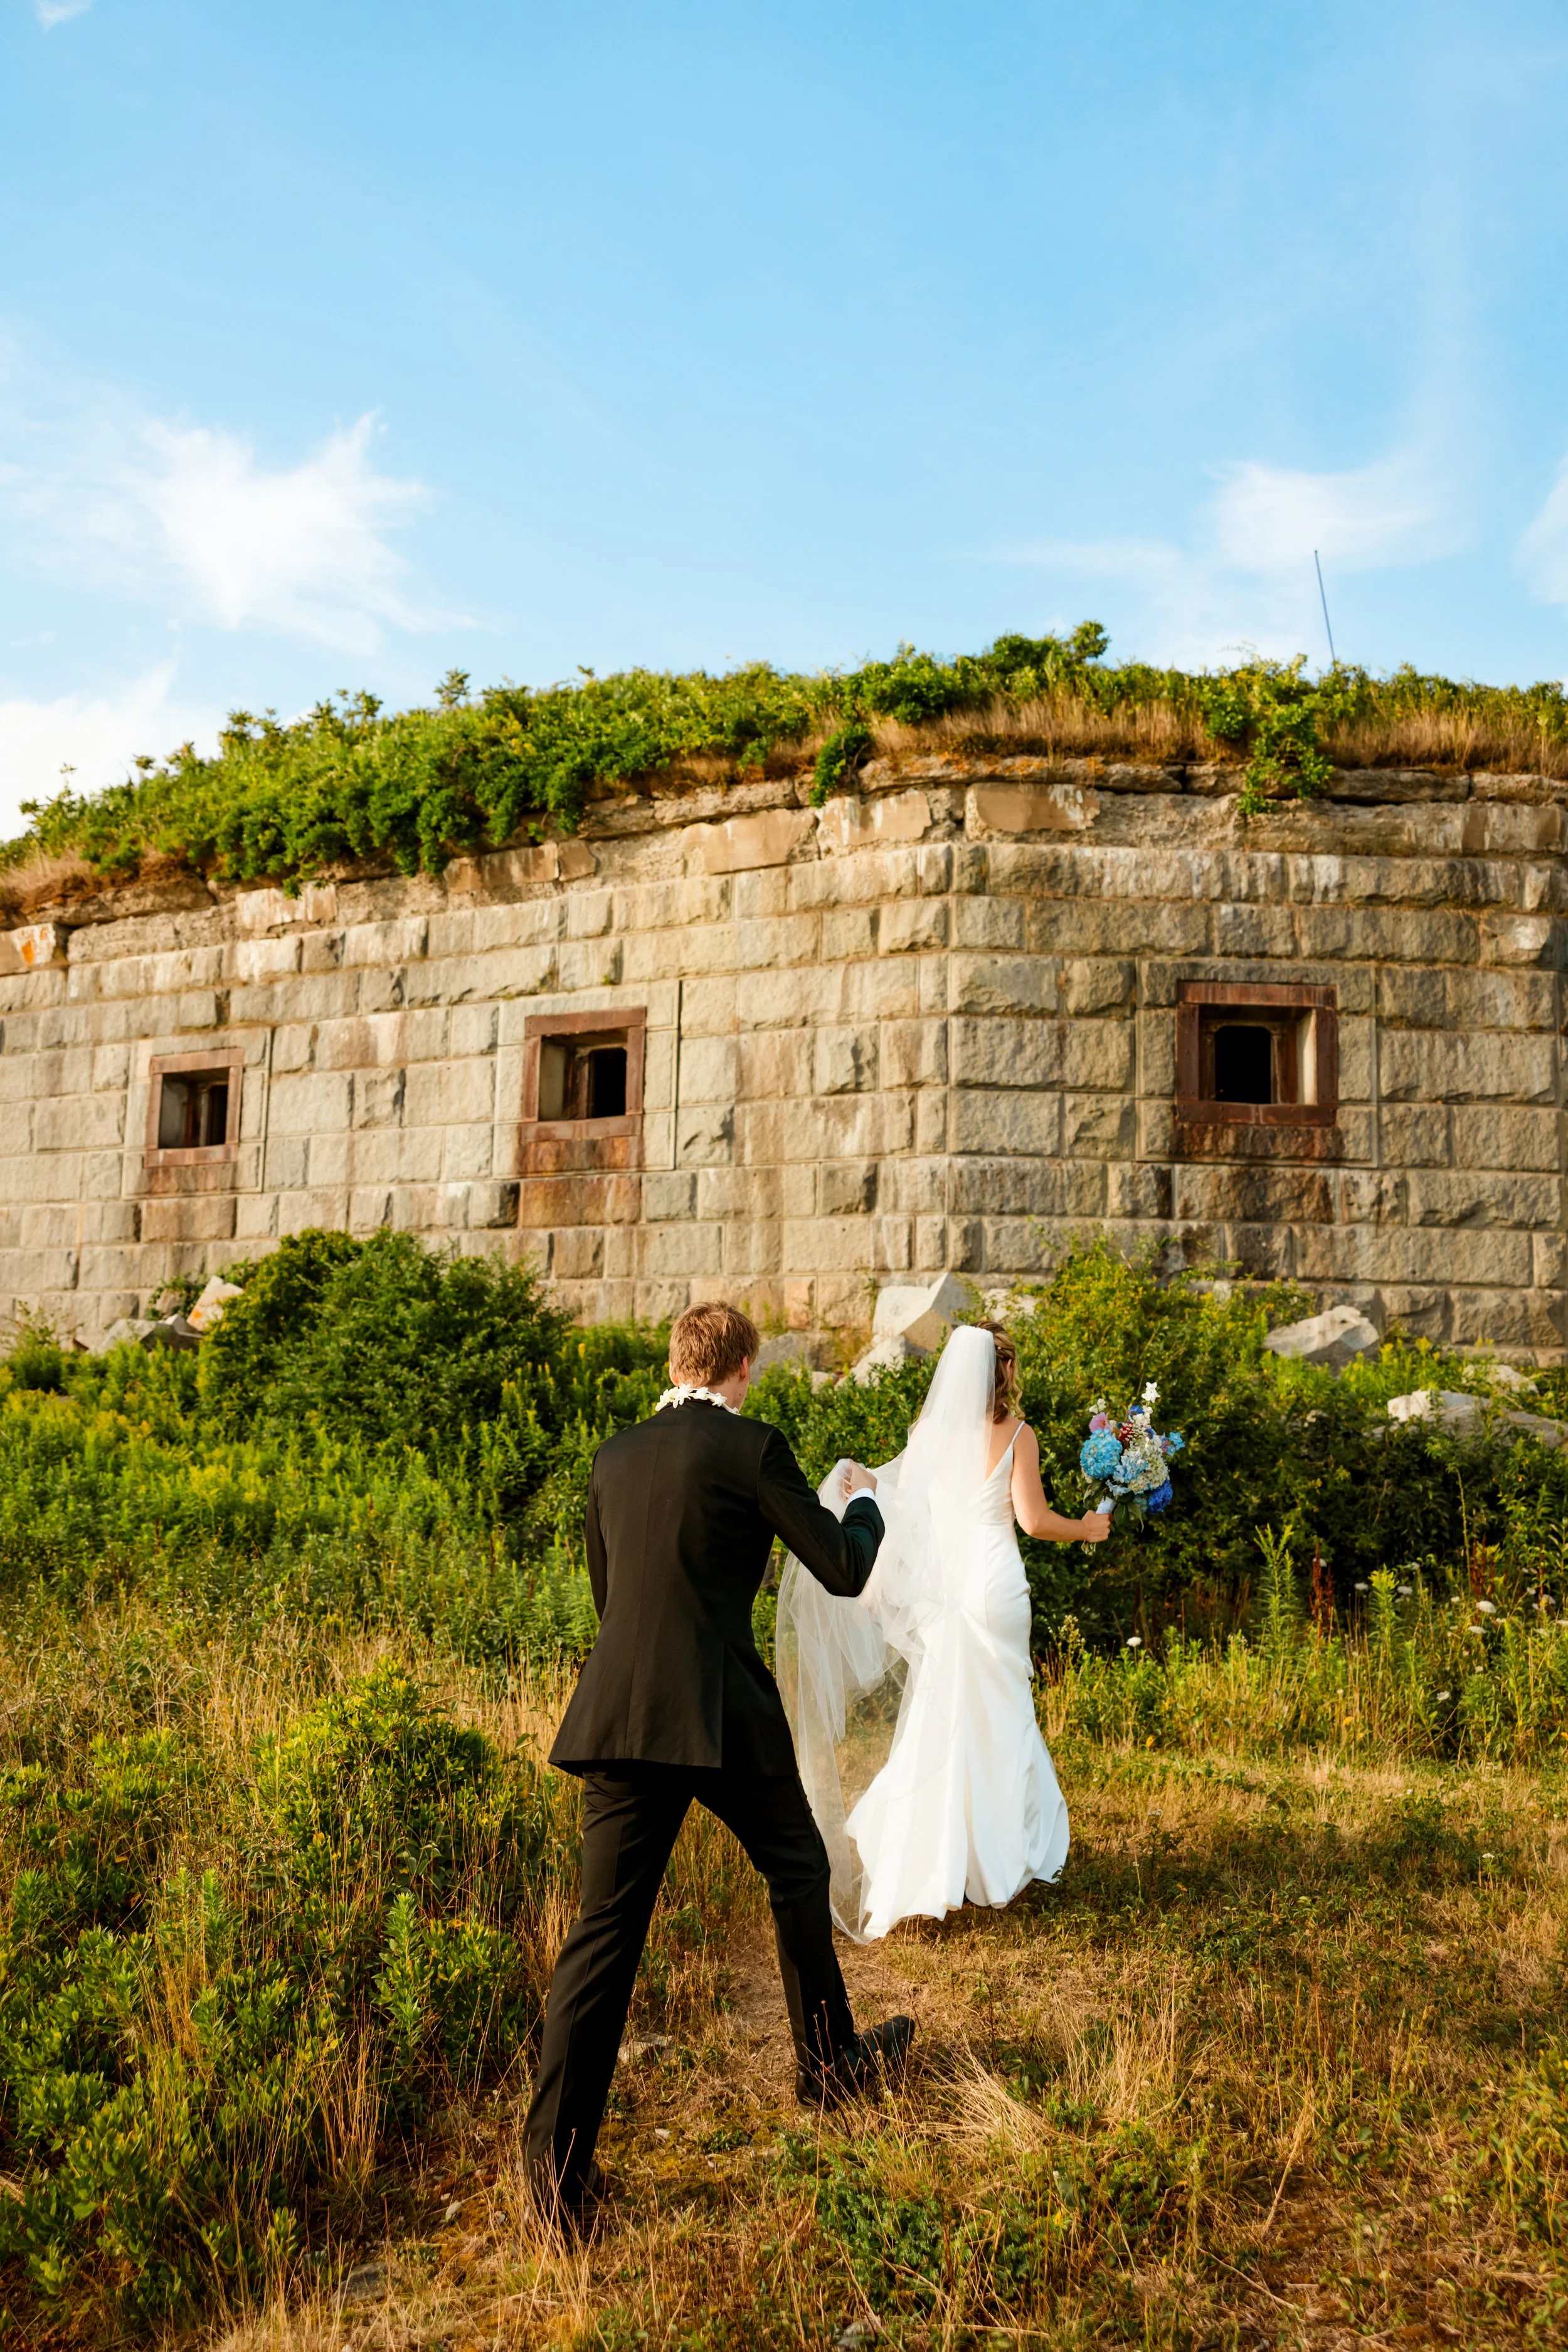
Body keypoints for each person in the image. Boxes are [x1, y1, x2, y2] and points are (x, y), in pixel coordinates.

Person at [523, 1301, 916, 2226]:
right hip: (722, 1716)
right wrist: (862, 1501)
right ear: (740, 1366)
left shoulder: (613, 1456)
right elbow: (845, 1568)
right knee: (798, 1868)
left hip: (619, 1714)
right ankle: (828, 2069)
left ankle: (553, 2182)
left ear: (678, 1363)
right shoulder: (753, 1448)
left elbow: (609, 1593)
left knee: (601, 1940)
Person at [777, 1321, 1111, 1942]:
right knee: (1002, 1713)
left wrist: (874, 1490)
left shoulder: (925, 1434)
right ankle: (997, 1853)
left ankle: (935, 1855)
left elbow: (911, 1514)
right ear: (1004, 1372)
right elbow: (1035, 1523)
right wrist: (1088, 1528)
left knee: (944, 1712)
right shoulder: (1016, 1435)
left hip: (949, 1583)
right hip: (994, 1583)